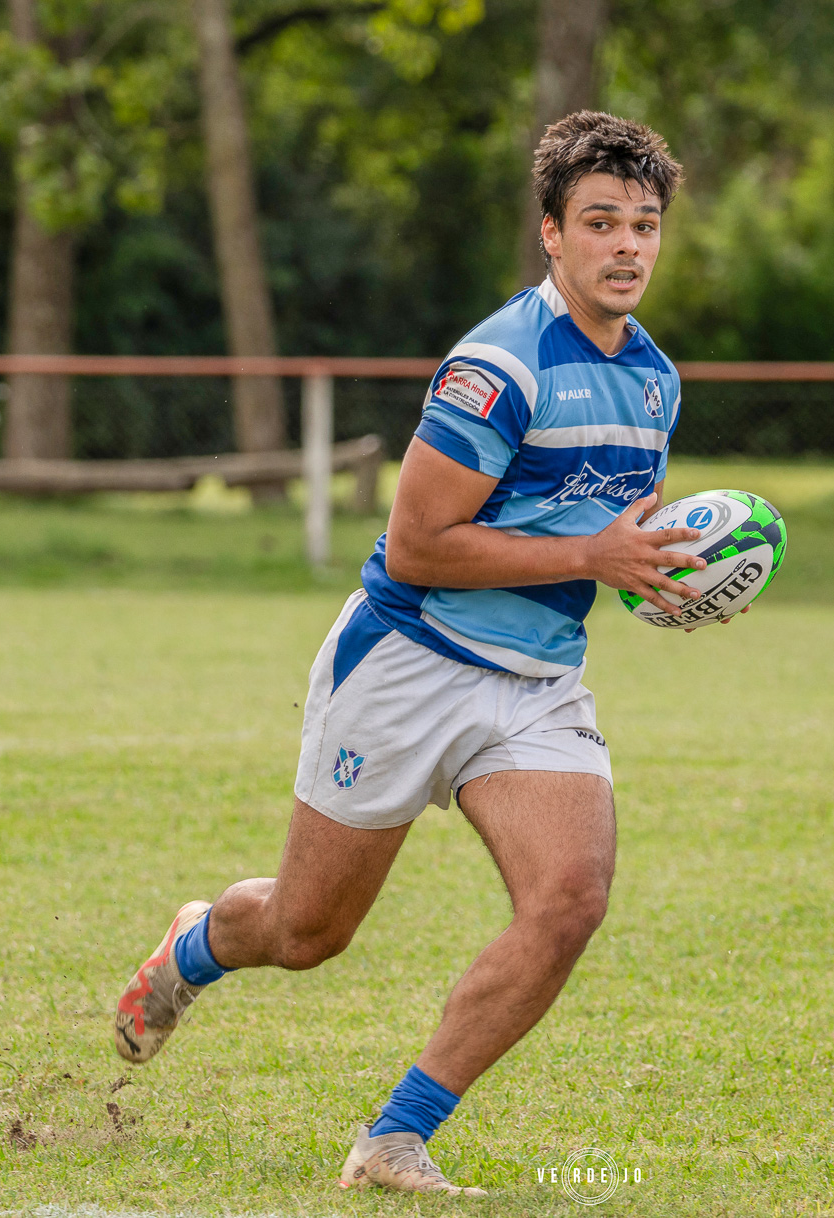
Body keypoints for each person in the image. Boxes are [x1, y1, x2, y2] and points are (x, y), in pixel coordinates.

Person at [113, 111, 701, 1197]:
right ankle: (197, 944)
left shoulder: (655, 380)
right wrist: (594, 554)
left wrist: (673, 577)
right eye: (601, 222)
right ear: (552, 234)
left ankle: (395, 1139)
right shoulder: (498, 366)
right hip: (409, 662)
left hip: (536, 683)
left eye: (645, 224)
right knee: (307, 932)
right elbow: (421, 544)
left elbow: (613, 535)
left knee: (570, 899)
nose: (627, 245)